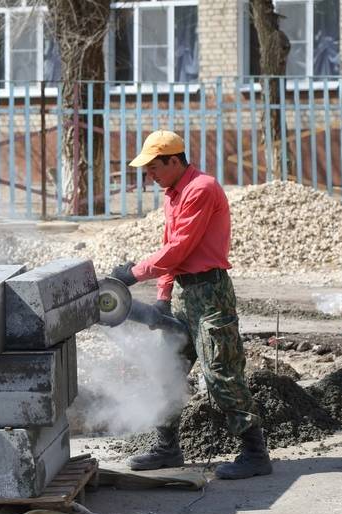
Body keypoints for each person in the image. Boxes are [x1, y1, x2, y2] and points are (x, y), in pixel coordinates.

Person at [109, 130, 272, 480]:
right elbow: (169, 248)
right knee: (167, 368)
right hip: (184, 292)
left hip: (210, 293)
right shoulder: (173, 194)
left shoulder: (201, 189)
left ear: (174, 160)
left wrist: (133, 274)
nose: (149, 176)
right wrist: (164, 299)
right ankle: (167, 448)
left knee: (221, 372)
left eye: (154, 168)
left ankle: (255, 453)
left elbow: (180, 248)